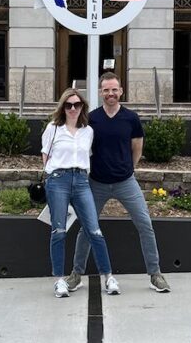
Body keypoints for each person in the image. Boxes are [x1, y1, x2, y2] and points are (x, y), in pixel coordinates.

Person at [66, 72, 171, 293]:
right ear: (101, 92)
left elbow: (137, 147)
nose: (110, 93)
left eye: (114, 89)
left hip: (126, 182)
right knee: (86, 228)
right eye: (106, 90)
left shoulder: (131, 118)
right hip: (96, 183)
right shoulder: (92, 118)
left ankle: (155, 274)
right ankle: (76, 274)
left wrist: (127, 169)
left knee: (145, 225)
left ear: (121, 91)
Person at [42, 87, 120, 298]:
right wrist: (51, 179)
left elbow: (89, 156)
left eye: (77, 104)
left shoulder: (88, 131)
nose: (73, 108)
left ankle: (109, 276)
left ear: (82, 107)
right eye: (69, 105)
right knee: (59, 230)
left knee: (94, 229)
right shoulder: (53, 128)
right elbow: (45, 157)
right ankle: (59, 280)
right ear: (63, 107)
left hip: (82, 181)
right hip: (58, 180)